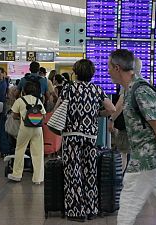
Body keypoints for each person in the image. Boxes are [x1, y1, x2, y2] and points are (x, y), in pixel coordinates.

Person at [108, 49, 156, 225]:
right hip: (148, 159)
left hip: (146, 160)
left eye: (109, 67)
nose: (107, 71)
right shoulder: (129, 90)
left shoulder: (141, 91)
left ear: (117, 67)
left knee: (128, 202)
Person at [54, 59, 115, 221]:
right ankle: (91, 209)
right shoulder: (96, 89)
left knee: (72, 172)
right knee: (90, 172)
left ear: (75, 72)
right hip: (90, 136)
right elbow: (111, 109)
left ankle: (76, 211)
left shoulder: (68, 88)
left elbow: (57, 109)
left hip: (71, 136)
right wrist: (96, 113)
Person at [108, 57, 142, 171]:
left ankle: (120, 179)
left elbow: (120, 104)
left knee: (123, 152)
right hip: (140, 130)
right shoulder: (143, 83)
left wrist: (111, 119)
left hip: (128, 127)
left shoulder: (129, 84)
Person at [7, 82, 46, 184]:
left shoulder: (20, 100)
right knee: (38, 153)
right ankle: (38, 178)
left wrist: (22, 117)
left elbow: (14, 115)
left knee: (20, 149)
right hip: (38, 129)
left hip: (25, 128)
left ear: (23, 91)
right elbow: (44, 116)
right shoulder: (38, 100)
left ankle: (17, 174)